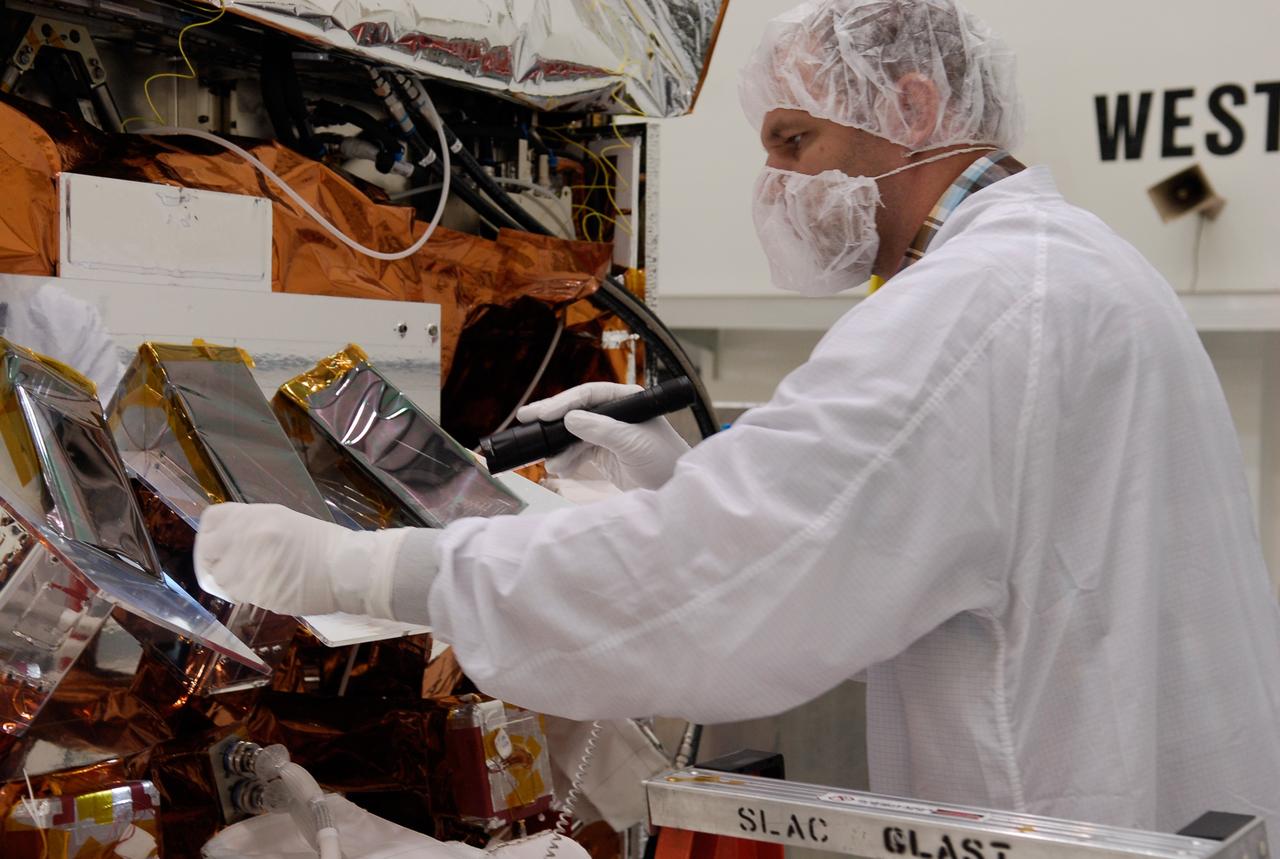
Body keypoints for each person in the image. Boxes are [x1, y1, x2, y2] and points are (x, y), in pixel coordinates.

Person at [194, 0, 1280, 834]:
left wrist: (365, 573)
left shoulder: (971, 307)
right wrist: (690, 483)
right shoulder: (1071, 264)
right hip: (1160, 803)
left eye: (792, 141)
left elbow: (707, 595)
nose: (771, 184)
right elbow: (916, 539)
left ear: (906, 109)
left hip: (1060, 812)